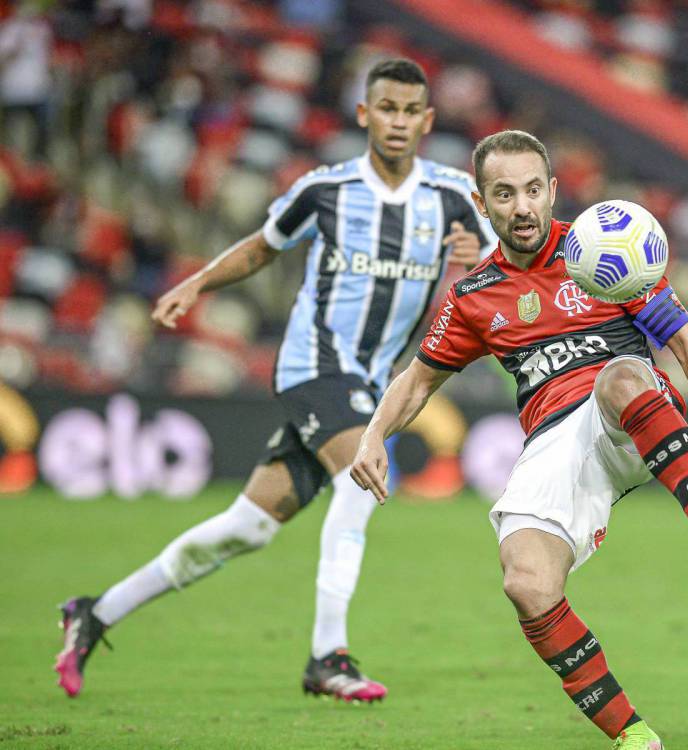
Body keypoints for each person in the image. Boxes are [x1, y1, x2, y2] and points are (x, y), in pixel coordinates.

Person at [55, 58, 496, 702]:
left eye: (411, 111)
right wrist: (198, 282)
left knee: (247, 527)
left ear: (427, 121)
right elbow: (264, 246)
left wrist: (476, 263)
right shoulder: (326, 189)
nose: (399, 122)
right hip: (312, 364)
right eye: (388, 109)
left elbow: (506, 269)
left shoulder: (455, 197)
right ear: (364, 115)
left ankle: (93, 614)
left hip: (370, 386)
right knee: (363, 477)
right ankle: (327, 655)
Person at [350, 129, 688, 749]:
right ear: (481, 200)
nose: (522, 206)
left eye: (533, 190)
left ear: (551, 190)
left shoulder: (603, 250)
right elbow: (417, 380)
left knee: (622, 376)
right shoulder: (472, 297)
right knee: (526, 582)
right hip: (553, 440)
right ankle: (632, 736)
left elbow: (683, 338)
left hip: (628, 410)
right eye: (504, 193)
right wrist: (373, 436)